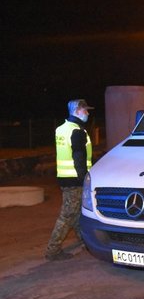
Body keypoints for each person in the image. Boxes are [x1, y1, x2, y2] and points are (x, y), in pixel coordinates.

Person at [45, 99, 93, 261]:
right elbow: (79, 156)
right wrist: (84, 178)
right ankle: (53, 249)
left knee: (77, 212)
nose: (87, 113)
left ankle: (86, 242)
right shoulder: (77, 131)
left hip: (64, 177)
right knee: (67, 215)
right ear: (77, 111)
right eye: (85, 110)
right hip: (75, 179)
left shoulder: (61, 129)